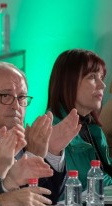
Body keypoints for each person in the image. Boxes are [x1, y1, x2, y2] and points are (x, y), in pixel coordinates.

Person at [0, 62, 81, 203]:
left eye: (21, 97)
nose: (16, 106)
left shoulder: (19, 134)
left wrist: (53, 150)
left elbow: (48, 199)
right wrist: (33, 155)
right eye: (6, 96)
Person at [47, 49, 112, 187]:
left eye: (101, 77)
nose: (102, 85)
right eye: (93, 77)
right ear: (68, 82)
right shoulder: (52, 129)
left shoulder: (91, 127)